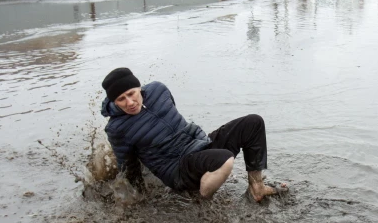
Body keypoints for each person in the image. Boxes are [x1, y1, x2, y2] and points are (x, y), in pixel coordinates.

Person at [100, 68, 283, 202]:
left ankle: (257, 188)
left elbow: (175, 117)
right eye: (121, 99)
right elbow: (128, 166)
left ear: (138, 87)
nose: (130, 102)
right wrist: (139, 198)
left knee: (253, 122)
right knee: (224, 160)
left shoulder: (158, 90)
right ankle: (202, 201)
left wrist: (200, 141)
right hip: (176, 169)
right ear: (114, 102)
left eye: (131, 94)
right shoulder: (117, 128)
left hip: (198, 145)